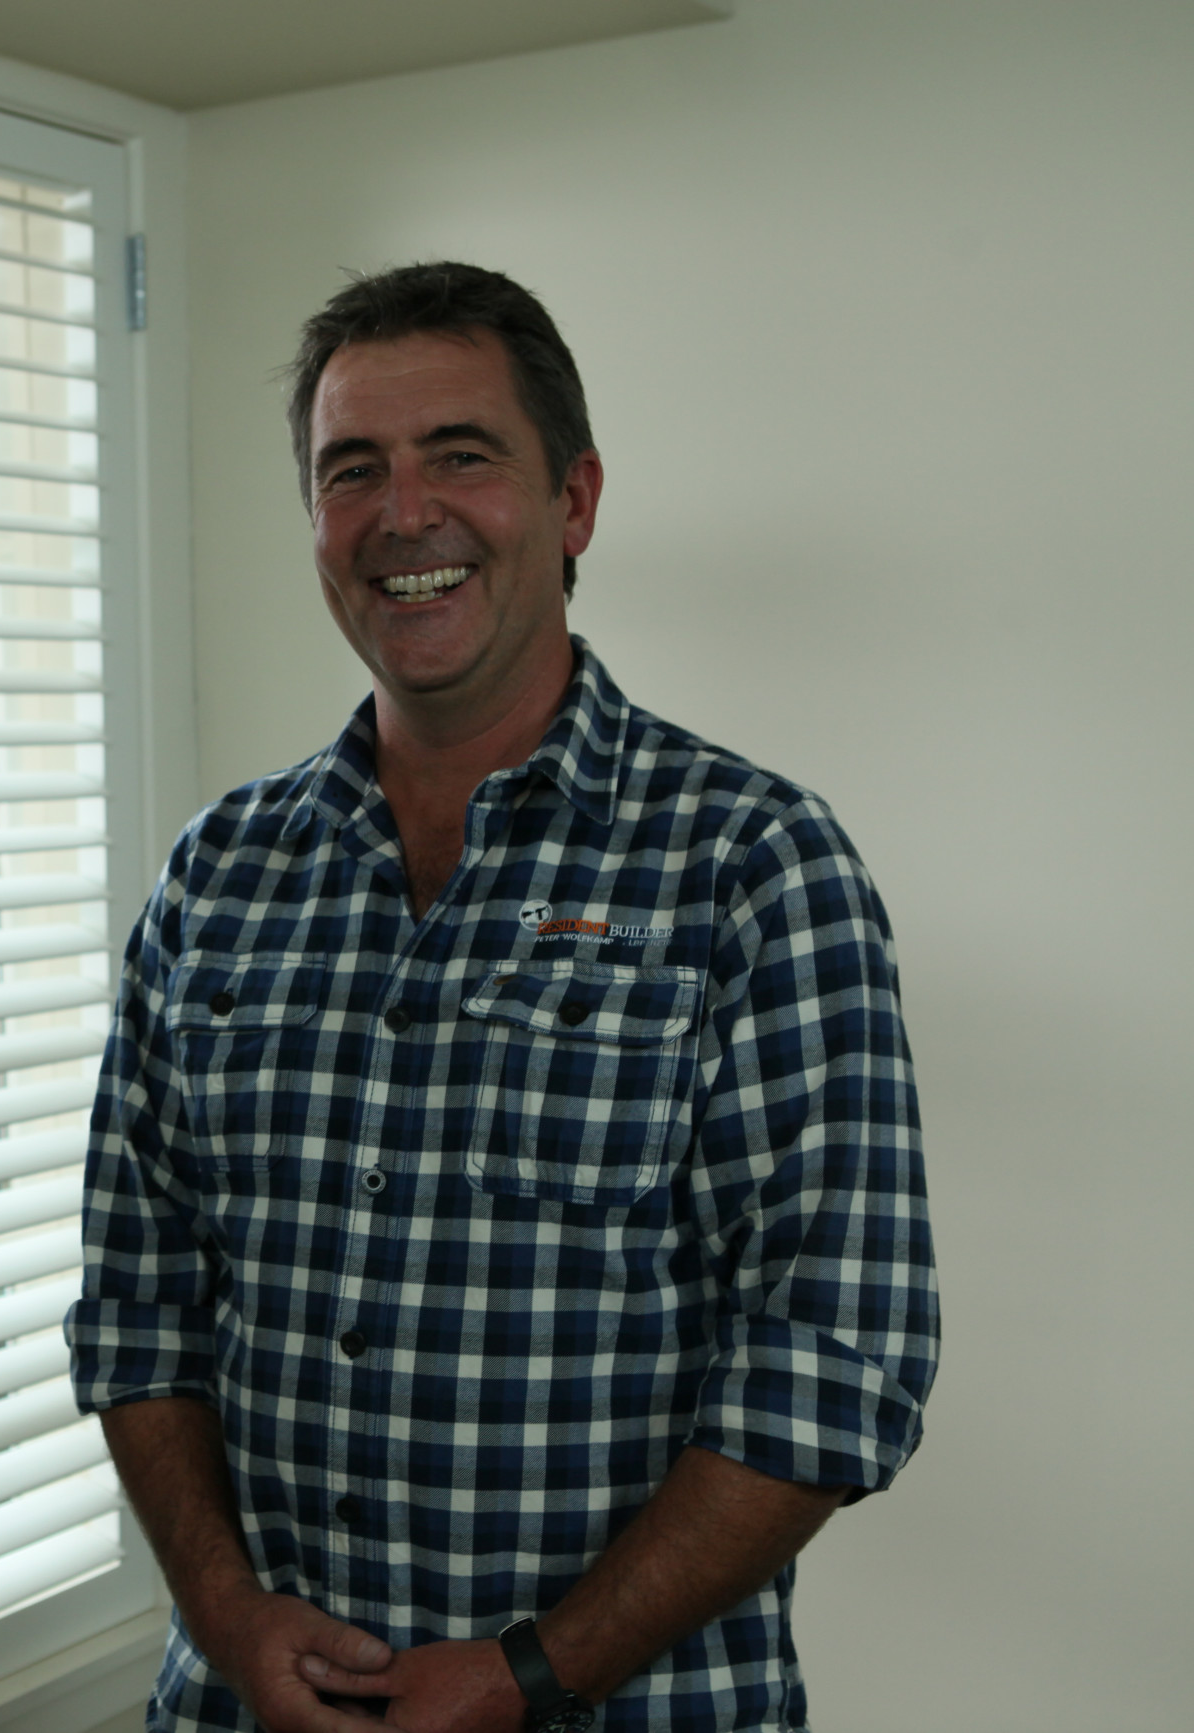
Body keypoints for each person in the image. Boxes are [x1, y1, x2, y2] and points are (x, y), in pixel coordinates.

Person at [65, 264, 938, 1733]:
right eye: (354, 471)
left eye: (460, 455)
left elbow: (836, 1358)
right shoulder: (214, 877)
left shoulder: (752, 865)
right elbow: (139, 1314)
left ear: (574, 502)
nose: (404, 513)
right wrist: (227, 1620)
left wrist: (533, 1672)